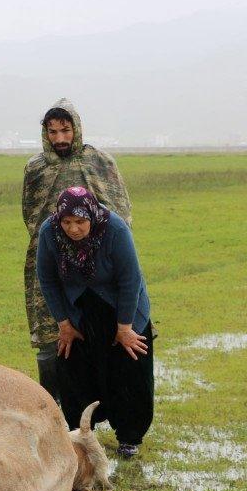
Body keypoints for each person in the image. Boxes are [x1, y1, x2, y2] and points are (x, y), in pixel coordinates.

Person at [22, 98, 132, 404]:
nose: (59, 138)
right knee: (50, 336)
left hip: (97, 265)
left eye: (65, 130)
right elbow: (31, 215)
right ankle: (50, 408)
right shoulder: (35, 169)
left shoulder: (99, 162)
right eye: (53, 131)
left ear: (77, 129)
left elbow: (119, 212)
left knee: (99, 332)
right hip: (50, 258)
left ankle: (100, 408)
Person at [36, 186, 153, 458]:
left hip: (123, 306)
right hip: (78, 310)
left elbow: (130, 280)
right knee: (74, 368)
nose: (73, 229)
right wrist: (64, 324)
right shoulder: (49, 232)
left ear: (91, 215)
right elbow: (48, 280)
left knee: (129, 366)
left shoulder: (115, 229)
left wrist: (124, 328)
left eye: (80, 221)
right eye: (66, 222)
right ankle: (82, 432)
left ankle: (130, 436)